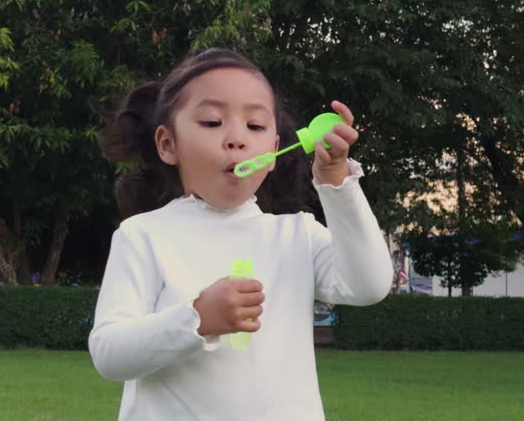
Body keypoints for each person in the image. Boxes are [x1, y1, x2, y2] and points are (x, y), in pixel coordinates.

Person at [88, 48, 393, 420]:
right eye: (212, 122)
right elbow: (109, 353)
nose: (236, 139)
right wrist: (197, 319)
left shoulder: (296, 235)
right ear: (168, 144)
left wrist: (336, 182)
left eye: (255, 126)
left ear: (276, 149)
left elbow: (368, 284)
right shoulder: (144, 235)